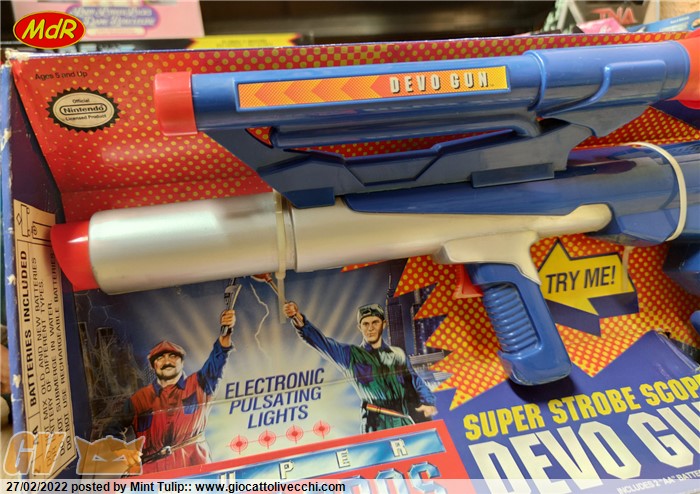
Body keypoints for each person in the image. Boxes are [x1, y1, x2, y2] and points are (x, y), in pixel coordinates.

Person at [107, 310, 235, 474]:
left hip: (195, 468)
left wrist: (226, 331)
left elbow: (218, 357)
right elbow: (112, 427)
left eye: (173, 356)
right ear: (154, 366)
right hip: (153, 473)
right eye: (160, 358)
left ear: (182, 362)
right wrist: (121, 449)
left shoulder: (201, 384)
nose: (167, 361)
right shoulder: (139, 399)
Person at [284, 302, 437, 433]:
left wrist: (428, 402)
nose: (370, 328)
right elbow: (321, 343)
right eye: (365, 324)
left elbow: (415, 380)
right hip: (375, 424)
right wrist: (298, 319)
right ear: (359, 327)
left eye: (375, 322)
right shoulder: (350, 355)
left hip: (403, 419)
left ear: (383, 324)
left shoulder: (398, 354)